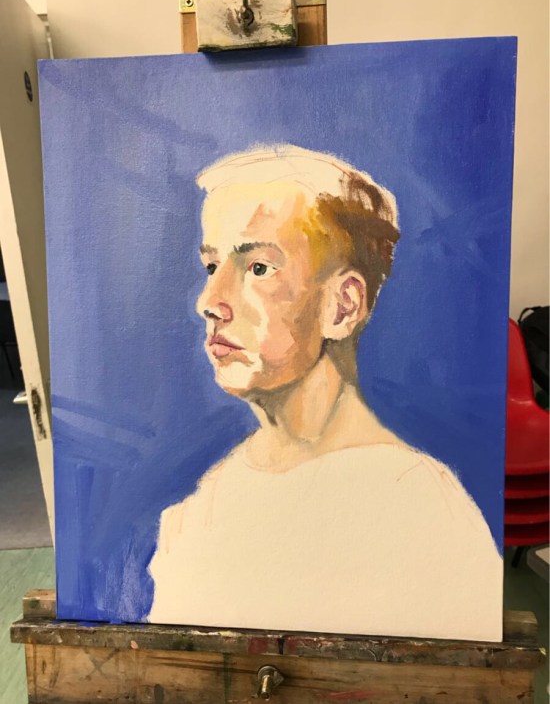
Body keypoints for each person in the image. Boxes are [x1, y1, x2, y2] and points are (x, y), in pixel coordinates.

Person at [148, 145, 502, 642]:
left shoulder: (424, 511)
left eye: (258, 268)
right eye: (211, 267)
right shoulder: (199, 511)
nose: (209, 301)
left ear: (343, 305)